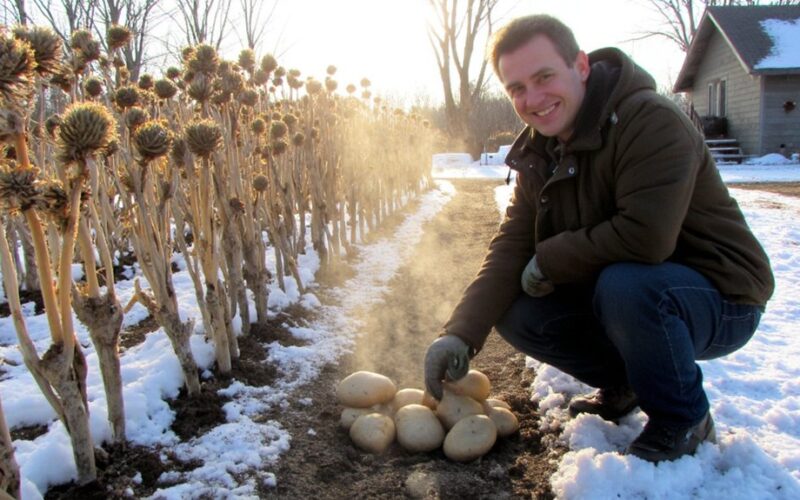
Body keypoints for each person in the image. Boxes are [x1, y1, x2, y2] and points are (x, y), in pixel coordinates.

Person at [423, 14, 774, 463]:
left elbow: (646, 239)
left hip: (722, 295)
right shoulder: (541, 149)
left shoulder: (649, 120)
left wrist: (550, 259)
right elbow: (511, 246)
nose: (533, 99)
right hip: (635, 293)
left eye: (544, 77)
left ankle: (684, 418)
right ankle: (627, 383)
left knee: (626, 285)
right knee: (515, 310)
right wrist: (459, 334)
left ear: (581, 66)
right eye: (517, 88)